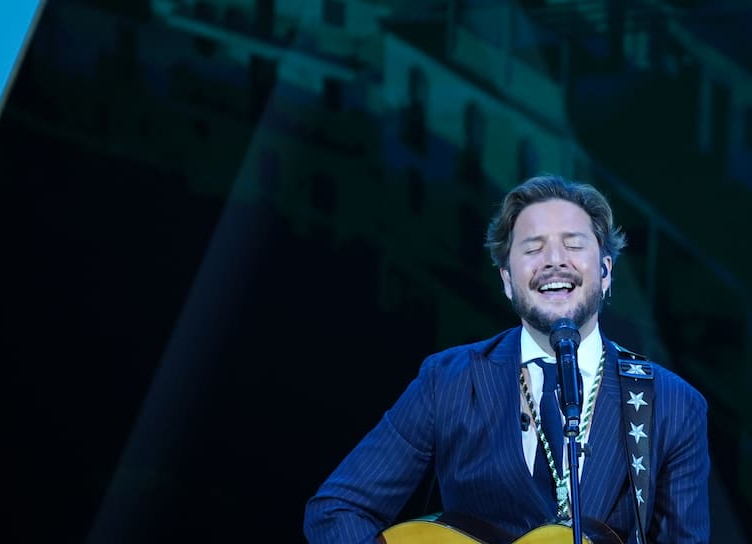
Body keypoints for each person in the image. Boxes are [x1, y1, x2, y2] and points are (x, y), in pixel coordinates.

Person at [304, 174, 709, 543]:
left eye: (573, 244)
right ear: (507, 280)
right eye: (533, 248)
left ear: (605, 271)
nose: (554, 259)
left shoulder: (671, 403)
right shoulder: (448, 381)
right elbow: (335, 511)